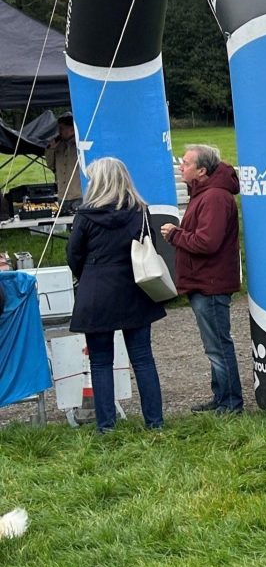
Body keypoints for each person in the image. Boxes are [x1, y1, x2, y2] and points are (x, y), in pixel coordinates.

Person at [66, 157, 165, 433]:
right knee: (143, 359)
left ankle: (106, 425)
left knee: (100, 361)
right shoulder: (140, 211)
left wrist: (87, 275)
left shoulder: (85, 215)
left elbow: (73, 255)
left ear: (98, 182)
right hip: (135, 289)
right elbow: (151, 247)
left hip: (96, 291)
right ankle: (154, 422)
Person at [161, 145, 244, 415]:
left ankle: (231, 402)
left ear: (201, 171)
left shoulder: (215, 198)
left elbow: (207, 242)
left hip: (210, 282)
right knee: (214, 345)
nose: (180, 167)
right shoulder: (206, 194)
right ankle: (221, 397)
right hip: (205, 280)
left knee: (218, 345)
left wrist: (175, 235)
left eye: (185, 163)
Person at [44, 113, 82, 211]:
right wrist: (50, 150)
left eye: (62, 128)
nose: (59, 132)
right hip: (63, 195)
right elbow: (51, 165)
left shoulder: (80, 145)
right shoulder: (58, 146)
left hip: (78, 195)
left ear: (71, 129)